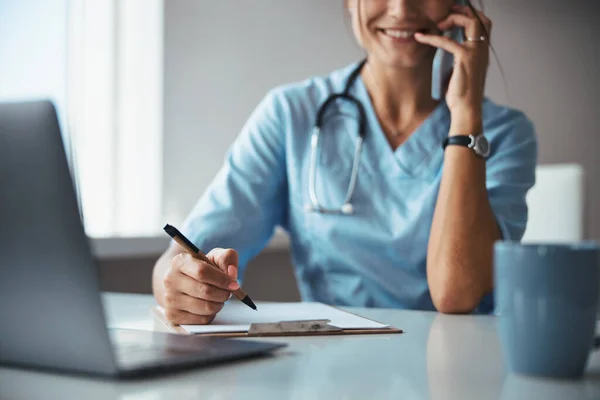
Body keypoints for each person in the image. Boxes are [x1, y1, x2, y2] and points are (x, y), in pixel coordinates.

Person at [152, 0, 537, 324]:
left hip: (460, 372)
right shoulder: (291, 115)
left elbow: (457, 294)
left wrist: (466, 116)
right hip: (331, 365)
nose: (401, 9)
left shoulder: (502, 134)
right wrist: (181, 286)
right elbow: (181, 256)